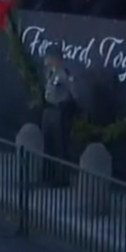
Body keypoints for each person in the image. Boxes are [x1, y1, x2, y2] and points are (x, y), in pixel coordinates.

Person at [41, 44, 76, 186]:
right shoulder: (50, 72)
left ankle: (61, 178)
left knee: (59, 145)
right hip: (48, 109)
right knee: (47, 143)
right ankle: (47, 175)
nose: (46, 59)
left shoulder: (64, 74)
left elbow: (72, 92)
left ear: (56, 59)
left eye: (49, 57)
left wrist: (65, 103)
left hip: (59, 111)